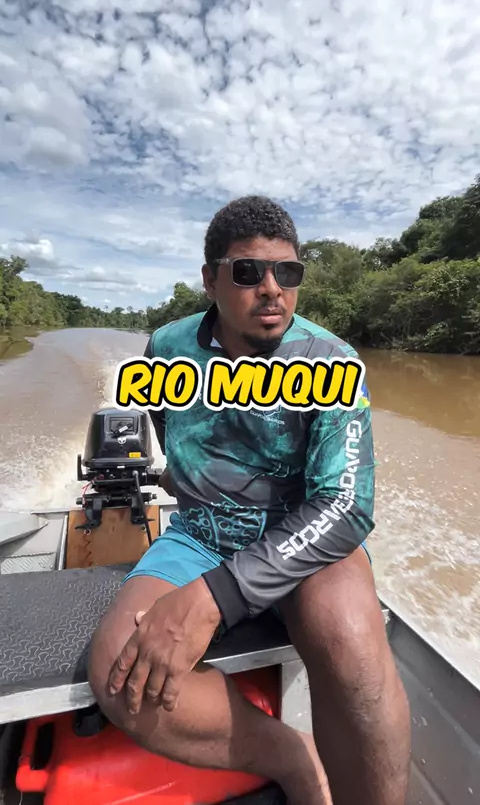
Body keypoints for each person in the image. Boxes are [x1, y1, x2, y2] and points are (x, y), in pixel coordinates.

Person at [88, 195, 411, 805]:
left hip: (306, 539)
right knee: (117, 668)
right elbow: (171, 436)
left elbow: (346, 505)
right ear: (210, 280)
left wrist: (218, 595)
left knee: (355, 654)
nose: (271, 289)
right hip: (201, 534)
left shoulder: (330, 361)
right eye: (248, 272)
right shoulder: (166, 348)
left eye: (287, 272)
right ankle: (292, 757)